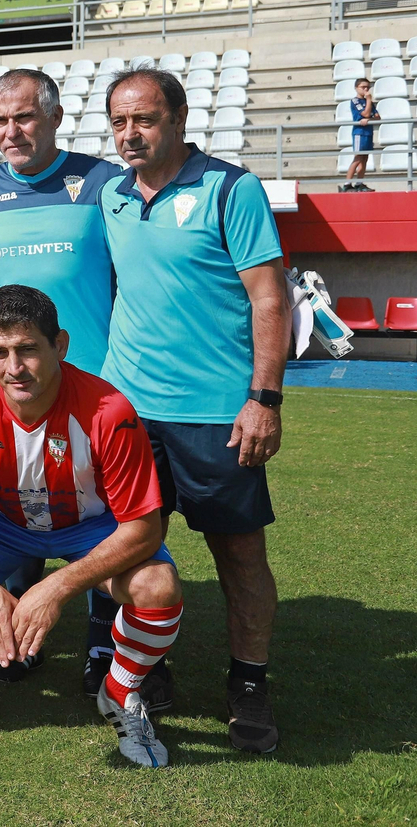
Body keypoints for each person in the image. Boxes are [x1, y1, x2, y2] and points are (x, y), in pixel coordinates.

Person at [0, 285, 184, 768]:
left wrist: (54, 589)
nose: (14, 368)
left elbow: (144, 528)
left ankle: (120, 693)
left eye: (27, 349)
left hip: (90, 526)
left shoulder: (109, 411)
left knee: (158, 587)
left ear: (60, 345)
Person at [101, 66, 289, 755]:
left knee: (239, 555)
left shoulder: (231, 189)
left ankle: (249, 682)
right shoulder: (113, 195)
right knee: (128, 548)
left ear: (179, 120)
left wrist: (263, 399)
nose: (130, 134)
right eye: (119, 122)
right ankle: (145, 667)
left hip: (216, 414)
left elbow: (270, 298)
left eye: (145, 120)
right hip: (128, 412)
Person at [0, 68, 168, 697]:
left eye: (24, 117)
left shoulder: (105, 183)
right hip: (12, 387)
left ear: (55, 118)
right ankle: (18, 636)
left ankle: (107, 642)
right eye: (0, 121)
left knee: (103, 516)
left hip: (96, 386)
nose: (11, 132)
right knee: (16, 501)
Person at [346, 78, 379, 192]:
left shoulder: (369, 102)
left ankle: (359, 183)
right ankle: (347, 184)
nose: (366, 89)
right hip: (359, 133)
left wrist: (368, 119)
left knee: (365, 158)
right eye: (363, 87)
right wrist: (369, 100)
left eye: (367, 87)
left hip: (368, 132)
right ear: (356, 88)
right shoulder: (355, 101)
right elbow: (365, 113)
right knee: (358, 157)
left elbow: (377, 117)